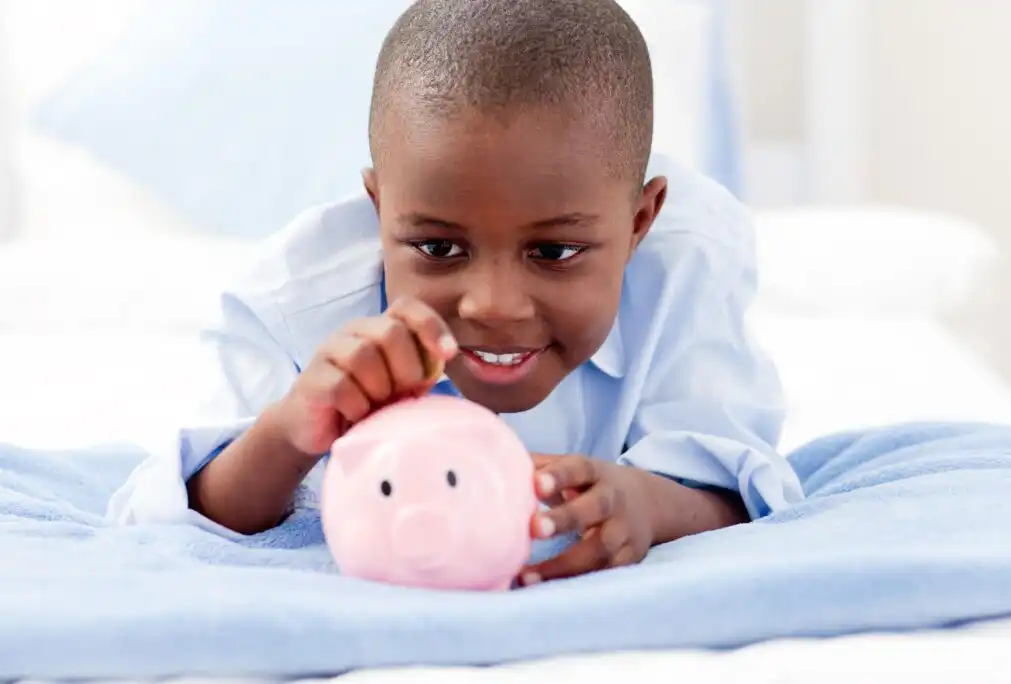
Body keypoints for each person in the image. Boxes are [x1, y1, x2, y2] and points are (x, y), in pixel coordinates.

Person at [108, 0, 804, 586]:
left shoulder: (686, 269)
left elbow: (741, 484)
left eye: (554, 252)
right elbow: (169, 516)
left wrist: (653, 505)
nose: (493, 305)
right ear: (379, 211)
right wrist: (288, 433)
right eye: (439, 249)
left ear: (638, 225)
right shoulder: (296, 301)